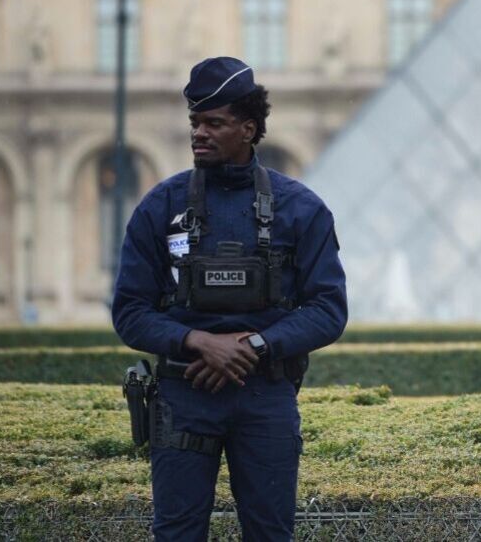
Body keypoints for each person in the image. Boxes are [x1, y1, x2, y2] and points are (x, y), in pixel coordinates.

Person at [112, 56, 347, 541]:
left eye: (213, 123)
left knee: (270, 533)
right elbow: (130, 311)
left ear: (249, 128)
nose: (199, 133)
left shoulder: (301, 209)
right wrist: (199, 341)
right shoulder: (161, 205)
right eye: (195, 123)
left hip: (265, 396)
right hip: (182, 395)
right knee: (176, 534)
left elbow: (328, 309)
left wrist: (253, 346)